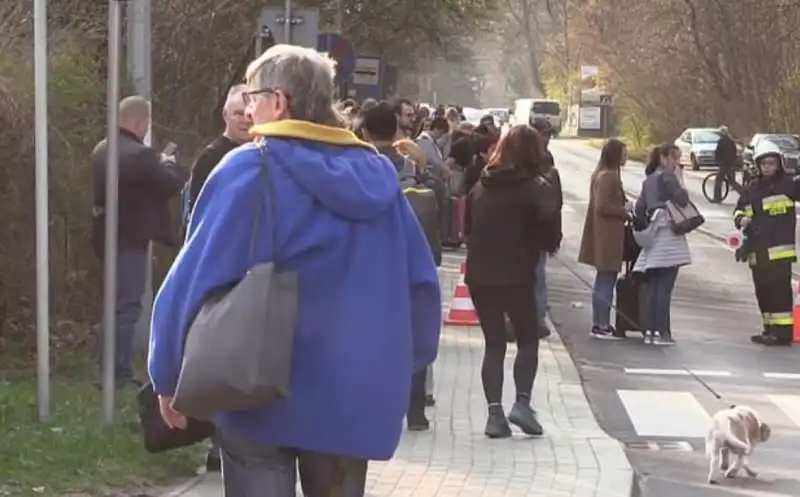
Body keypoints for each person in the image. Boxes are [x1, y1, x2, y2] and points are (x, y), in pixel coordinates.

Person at [148, 45, 441, 496]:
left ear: (279, 102)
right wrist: (400, 368)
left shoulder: (248, 170)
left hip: (257, 389)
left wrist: (167, 372)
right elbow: (421, 286)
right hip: (352, 396)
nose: (248, 108)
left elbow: (192, 277)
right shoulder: (379, 179)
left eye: (252, 96)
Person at [463, 125, 560, 439]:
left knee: (494, 344)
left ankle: (494, 414)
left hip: (480, 274)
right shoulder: (536, 187)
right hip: (517, 273)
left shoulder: (482, 185)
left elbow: (467, 228)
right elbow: (550, 236)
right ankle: (522, 403)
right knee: (527, 338)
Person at [91, 95, 188, 389]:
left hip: (104, 234)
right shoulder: (141, 155)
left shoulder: (101, 149)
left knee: (113, 304)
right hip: (131, 238)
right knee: (128, 306)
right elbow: (168, 184)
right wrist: (169, 164)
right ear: (140, 121)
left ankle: (105, 365)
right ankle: (118, 373)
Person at [734, 140, 800, 346]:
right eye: (763, 164)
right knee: (762, 292)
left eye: (771, 163)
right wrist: (741, 219)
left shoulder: (790, 184)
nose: (767, 167)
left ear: (779, 163)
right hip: (757, 250)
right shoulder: (753, 187)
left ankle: (783, 333)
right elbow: (739, 209)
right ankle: (769, 328)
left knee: (779, 292)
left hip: (779, 251)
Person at [633, 144, 692, 345]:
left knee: (652, 286)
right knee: (664, 287)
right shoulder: (668, 177)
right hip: (669, 238)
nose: (677, 163)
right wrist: (680, 179)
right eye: (675, 159)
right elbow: (683, 200)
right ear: (665, 158)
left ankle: (649, 330)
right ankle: (662, 331)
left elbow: (639, 209)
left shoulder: (648, 180)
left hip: (652, 238)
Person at [577, 139, 631, 340]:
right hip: (608, 235)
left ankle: (600, 322)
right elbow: (602, 206)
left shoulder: (601, 174)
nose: (626, 157)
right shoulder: (609, 177)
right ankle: (602, 324)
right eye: (624, 153)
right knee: (606, 281)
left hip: (603, 233)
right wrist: (624, 211)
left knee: (603, 279)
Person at [530, 118, 563, 339]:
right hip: (531, 227)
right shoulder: (530, 158)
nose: (547, 139)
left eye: (549, 135)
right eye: (544, 134)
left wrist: (555, 234)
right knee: (534, 275)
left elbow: (555, 203)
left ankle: (538, 317)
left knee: (538, 275)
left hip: (541, 230)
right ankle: (534, 317)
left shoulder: (547, 161)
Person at [713, 125, 742, 202]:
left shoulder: (721, 141)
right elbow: (734, 152)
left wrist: (716, 161)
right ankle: (745, 194)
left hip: (724, 164)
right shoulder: (731, 141)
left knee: (718, 180)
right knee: (732, 181)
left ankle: (717, 198)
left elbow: (718, 152)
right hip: (731, 163)